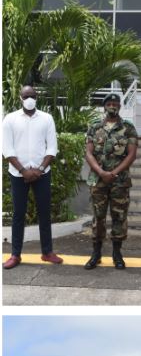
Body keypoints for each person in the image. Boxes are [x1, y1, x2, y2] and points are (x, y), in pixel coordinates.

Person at [2, 85, 63, 269]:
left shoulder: (46, 118)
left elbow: (52, 148)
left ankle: (47, 252)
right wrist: (23, 171)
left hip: (42, 173)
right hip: (18, 173)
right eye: (26, 95)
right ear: (20, 98)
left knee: (44, 212)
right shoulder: (10, 119)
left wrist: (40, 168)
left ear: (37, 97)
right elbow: (7, 149)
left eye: (32, 95)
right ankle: (15, 254)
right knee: (18, 214)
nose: (29, 98)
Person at [83, 93, 138, 270]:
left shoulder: (128, 128)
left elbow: (131, 154)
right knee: (98, 217)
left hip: (119, 181)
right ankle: (96, 253)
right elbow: (89, 153)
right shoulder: (94, 126)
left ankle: (117, 253)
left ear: (120, 107)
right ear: (104, 106)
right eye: (109, 103)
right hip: (98, 180)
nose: (112, 106)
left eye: (115, 103)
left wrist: (113, 172)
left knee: (119, 217)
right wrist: (101, 172)